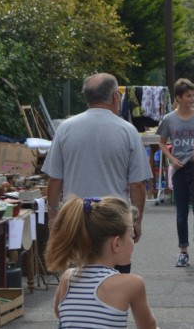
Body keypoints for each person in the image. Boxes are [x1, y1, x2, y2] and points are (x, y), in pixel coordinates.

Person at [42, 73, 152, 273]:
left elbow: (55, 178)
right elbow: (136, 184)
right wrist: (137, 220)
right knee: (115, 280)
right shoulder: (127, 131)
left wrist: (53, 215)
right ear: (114, 97)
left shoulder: (65, 129)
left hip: (76, 218)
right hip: (114, 218)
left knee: (77, 278)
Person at [46, 196, 157, 329]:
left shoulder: (67, 278)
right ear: (116, 244)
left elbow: (61, 316)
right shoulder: (133, 284)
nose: (132, 241)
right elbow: (148, 326)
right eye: (130, 236)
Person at [157, 78, 194, 268]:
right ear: (178, 98)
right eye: (188, 96)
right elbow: (162, 142)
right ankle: (183, 251)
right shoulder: (169, 119)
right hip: (179, 168)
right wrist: (172, 159)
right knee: (181, 211)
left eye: (193, 96)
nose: (192, 99)